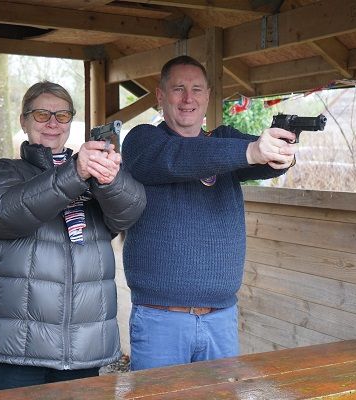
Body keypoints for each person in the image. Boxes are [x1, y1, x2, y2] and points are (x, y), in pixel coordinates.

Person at [121, 55, 297, 371]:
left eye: (197, 89)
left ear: (208, 96)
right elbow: (177, 158)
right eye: (178, 89)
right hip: (161, 319)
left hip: (221, 318)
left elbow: (267, 164)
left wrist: (281, 150)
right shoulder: (143, 141)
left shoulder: (223, 142)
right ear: (160, 95)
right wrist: (252, 151)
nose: (189, 98)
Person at [0, 81, 146, 391]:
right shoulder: (1, 172)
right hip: (15, 350)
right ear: (23, 121)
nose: (53, 123)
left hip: (81, 347)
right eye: (41, 114)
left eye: (62, 115)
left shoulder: (89, 173)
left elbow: (129, 212)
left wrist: (108, 180)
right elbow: (3, 215)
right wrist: (75, 174)